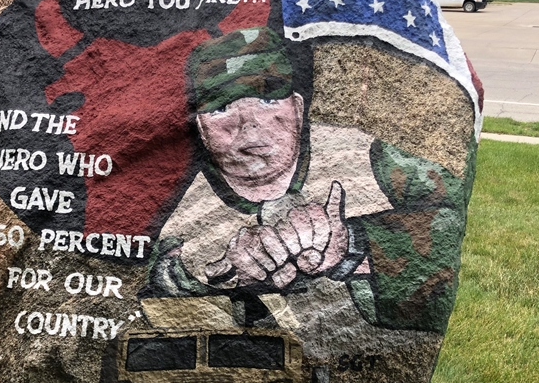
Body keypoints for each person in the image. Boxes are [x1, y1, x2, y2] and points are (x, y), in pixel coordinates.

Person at [143, 27, 473, 335]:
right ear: (200, 128)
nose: (250, 123)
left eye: (267, 99)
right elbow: (159, 305)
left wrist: (354, 244)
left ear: (298, 109)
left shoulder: (373, 158)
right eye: (222, 107)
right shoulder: (183, 211)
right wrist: (215, 275)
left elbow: (450, 227)